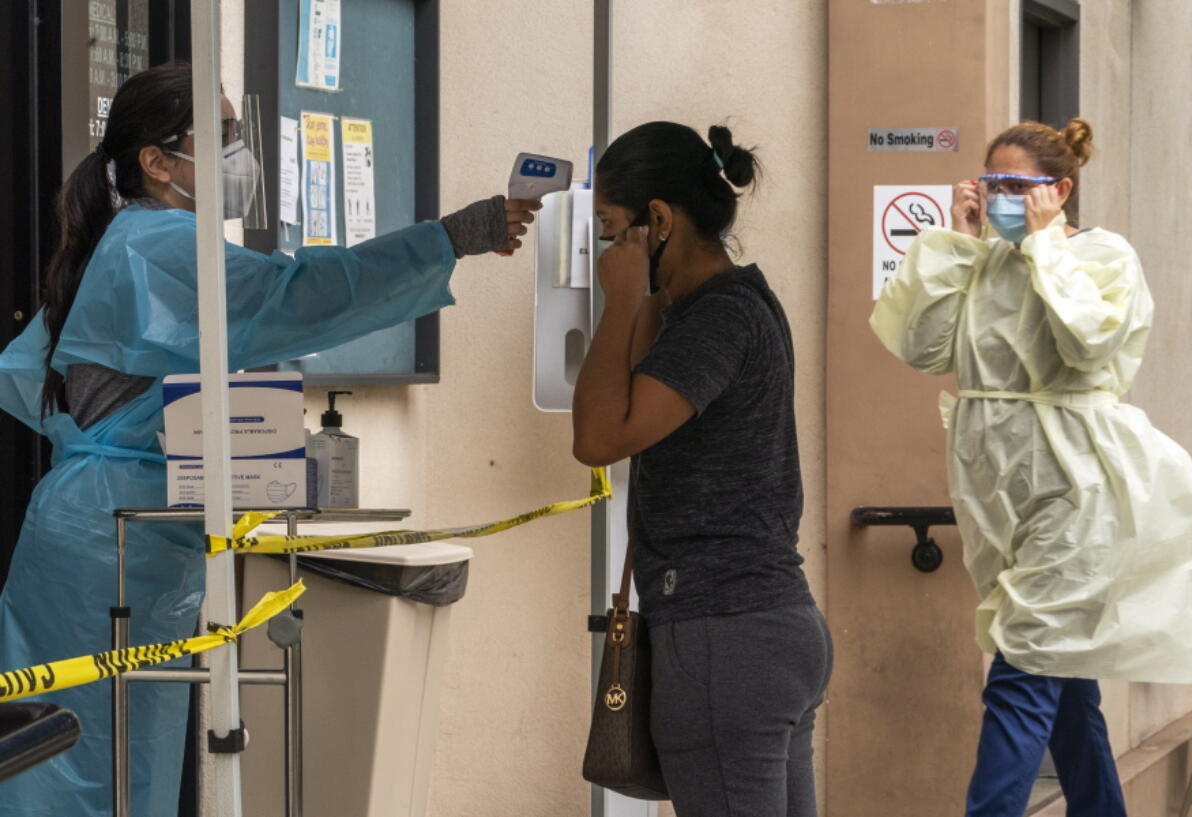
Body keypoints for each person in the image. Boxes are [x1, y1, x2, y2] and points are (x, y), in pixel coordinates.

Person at [0, 61, 539, 817]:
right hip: (104, 551)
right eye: (217, 137)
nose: (236, 154)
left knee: (108, 762)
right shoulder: (151, 243)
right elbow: (296, 293)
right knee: (88, 768)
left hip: (105, 537)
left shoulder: (131, 240)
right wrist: (450, 237)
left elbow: (32, 379)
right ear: (157, 162)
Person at [870, 118, 1192, 817]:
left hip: (1079, 488)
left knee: (1025, 664)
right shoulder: (984, 263)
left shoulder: (1101, 256)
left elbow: (1090, 342)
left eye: (1015, 186)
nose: (999, 197)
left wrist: (1041, 245)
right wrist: (959, 242)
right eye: (989, 183)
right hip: (1000, 491)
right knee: (1063, 679)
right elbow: (921, 344)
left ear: (1059, 190)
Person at [572, 121, 833, 817]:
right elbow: (640, 378)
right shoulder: (734, 305)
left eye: (609, 228)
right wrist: (645, 294)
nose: (603, 249)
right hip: (771, 627)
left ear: (657, 220)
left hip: (724, 635)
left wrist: (621, 297)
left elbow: (600, 434)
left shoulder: (719, 321)